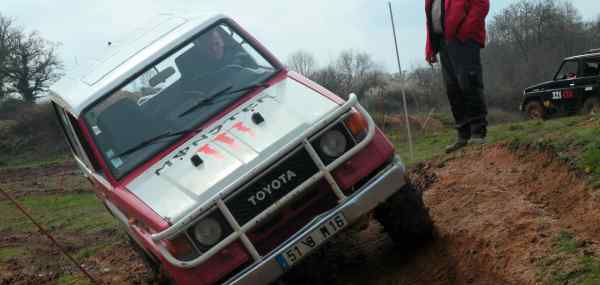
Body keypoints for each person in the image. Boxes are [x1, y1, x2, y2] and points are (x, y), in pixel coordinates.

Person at [425, 0, 490, 153]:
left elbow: (482, 5)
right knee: (452, 89)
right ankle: (463, 134)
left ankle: (478, 132)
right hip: (443, 43)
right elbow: (430, 22)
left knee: (469, 84)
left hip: (463, 41)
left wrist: (465, 31)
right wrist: (430, 48)